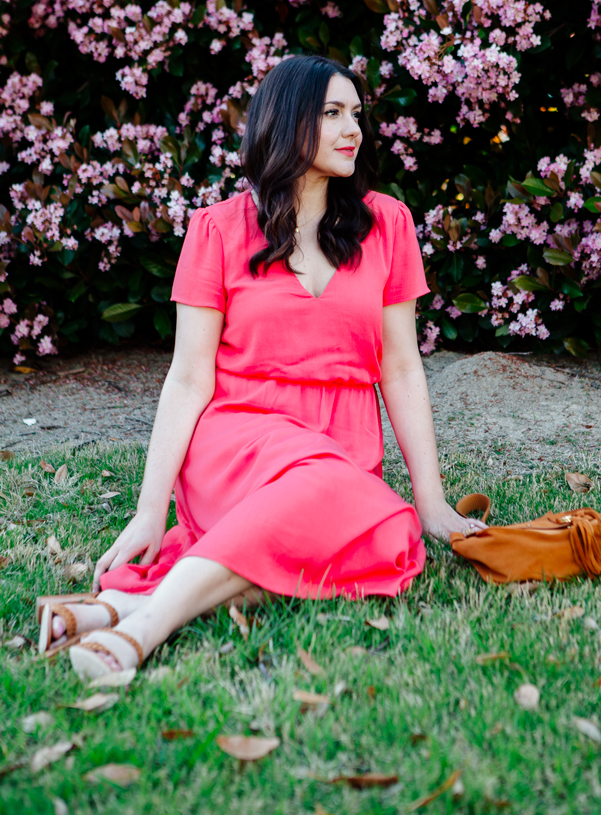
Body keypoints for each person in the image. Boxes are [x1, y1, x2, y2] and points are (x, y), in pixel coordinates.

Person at [38, 55, 485, 678]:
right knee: (337, 521)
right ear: (286, 122)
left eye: (356, 114)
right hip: (239, 436)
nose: (352, 129)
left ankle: (111, 608)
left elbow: (402, 368)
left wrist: (431, 502)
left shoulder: (388, 225)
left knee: (393, 538)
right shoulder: (217, 230)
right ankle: (146, 627)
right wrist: (149, 509)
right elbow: (189, 377)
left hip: (341, 443)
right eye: (332, 114)